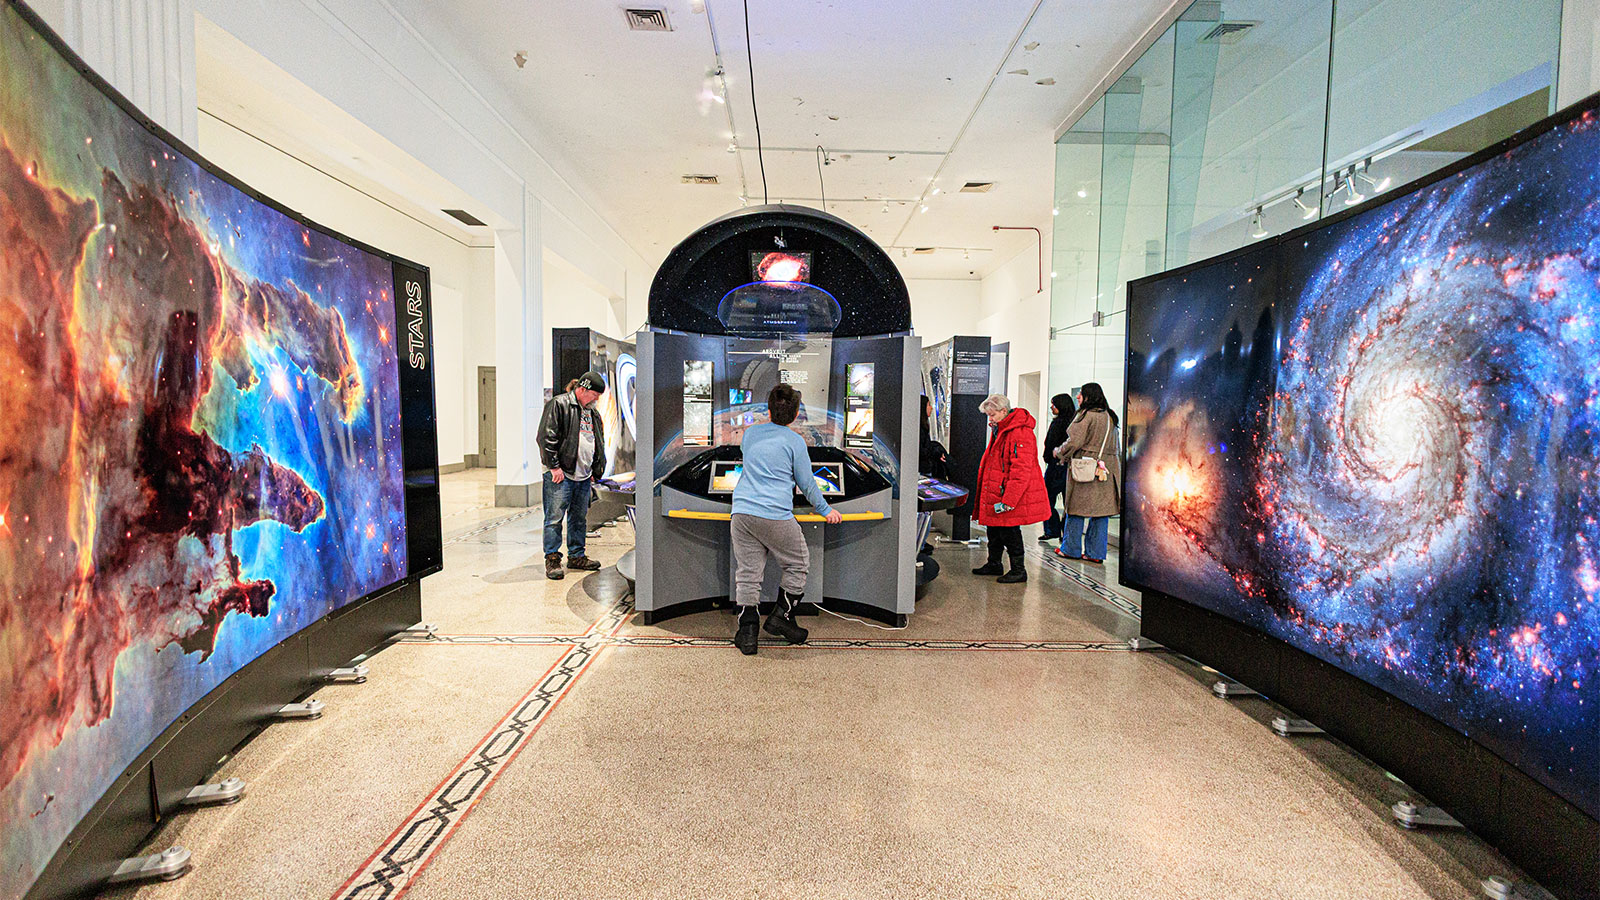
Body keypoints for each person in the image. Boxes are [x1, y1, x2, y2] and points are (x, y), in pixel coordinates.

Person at [730, 383, 844, 655]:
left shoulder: (749, 434)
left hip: (742, 512)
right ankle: (782, 615)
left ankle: (747, 633)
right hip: (775, 515)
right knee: (798, 563)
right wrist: (827, 510)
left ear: (768, 410)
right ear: (795, 416)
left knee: (748, 573)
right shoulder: (795, 441)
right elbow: (807, 484)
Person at [972, 394, 1049, 583]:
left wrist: (1009, 499)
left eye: (992, 415)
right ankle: (994, 563)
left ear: (1004, 412)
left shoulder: (1020, 432)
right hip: (996, 489)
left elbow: (1021, 470)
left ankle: (1018, 570)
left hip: (1008, 492)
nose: (990, 419)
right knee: (994, 529)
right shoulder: (1001, 428)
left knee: (1010, 531)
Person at [539, 371, 608, 580]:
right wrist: (554, 467)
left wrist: (596, 470)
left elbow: (598, 441)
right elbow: (545, 437)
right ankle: (552, 559)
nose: (596, 399)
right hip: (562, 474)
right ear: (583, 389)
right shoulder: (559, 404)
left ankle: (577, 556)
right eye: (594, 395)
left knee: (579, 518)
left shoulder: (593, 414)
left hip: (584, 476)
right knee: (554, 518)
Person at [1055, 382, 1121, 565]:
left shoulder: (1086, 416)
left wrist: (1058, 452)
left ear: (1088, 396)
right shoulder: (1110, 417)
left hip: (1085, 468)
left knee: (1075, 509)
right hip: (1107, 470)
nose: (1077, 397)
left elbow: (1074, 441)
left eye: (1081, 394)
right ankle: (1095, 553)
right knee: (1101, 513)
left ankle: (1070, 548)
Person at [1038, 392, 1076, 543]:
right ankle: (1062, 532)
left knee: (1047, 498)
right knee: (1068, 502)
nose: (1051, 407)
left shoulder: (1059, 423)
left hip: (1056, 466)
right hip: (1067, 466)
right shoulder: (1074, 422)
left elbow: (1050, 444)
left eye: (1054, 404)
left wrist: (1049, 456)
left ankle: (1052, 529)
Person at [918, 394, 949, 479]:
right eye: (929, 405)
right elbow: (921, 451)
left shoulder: (922, 427)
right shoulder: (919, 429)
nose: (931, 408)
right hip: (923, 471)